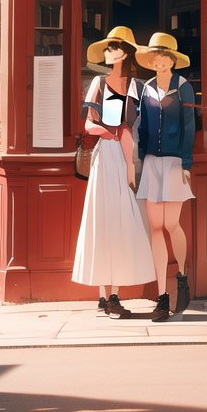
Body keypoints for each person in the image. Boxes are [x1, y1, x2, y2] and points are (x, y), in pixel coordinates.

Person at [71, 26, 155, 319]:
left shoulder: (137, 87)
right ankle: (106, 296)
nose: (108, 53)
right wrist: (112, 133)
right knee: (104, 222)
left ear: (125, 53)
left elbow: (139, 126)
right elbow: (87, 125)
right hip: (106, 157)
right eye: (107, 48)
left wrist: (132, 159)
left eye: (113, 47)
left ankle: (113, 294)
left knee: (122, 224)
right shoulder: (99, 82)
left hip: (126, 159)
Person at [135, 32, 195, 322]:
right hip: (151, 164)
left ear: (172, 60)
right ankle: (161, 296)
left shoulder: (183, 87)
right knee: (155, 227)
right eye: (154, 56)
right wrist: (140, 159)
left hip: (173, 163)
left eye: (163, 56)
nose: (158, 61)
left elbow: (189, 125)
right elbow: (143, 126)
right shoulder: (146, 88)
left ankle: (181, 277)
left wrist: (186, 161)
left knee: (172, 223)